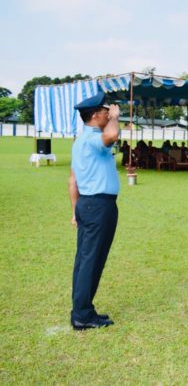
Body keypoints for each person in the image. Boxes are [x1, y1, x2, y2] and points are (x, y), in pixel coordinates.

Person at [67, 91, 120, 330]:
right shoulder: (92, 139)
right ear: (96, 115)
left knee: (85, 259)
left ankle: (82, 310)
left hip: (88, 205)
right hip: (98, 206)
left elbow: (72, 181)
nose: (109, 113)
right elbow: (113, 134)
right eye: (106, 111)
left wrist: (75, 210)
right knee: (91, 260)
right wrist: (116, 118)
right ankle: (82, 314)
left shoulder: (80, 142)